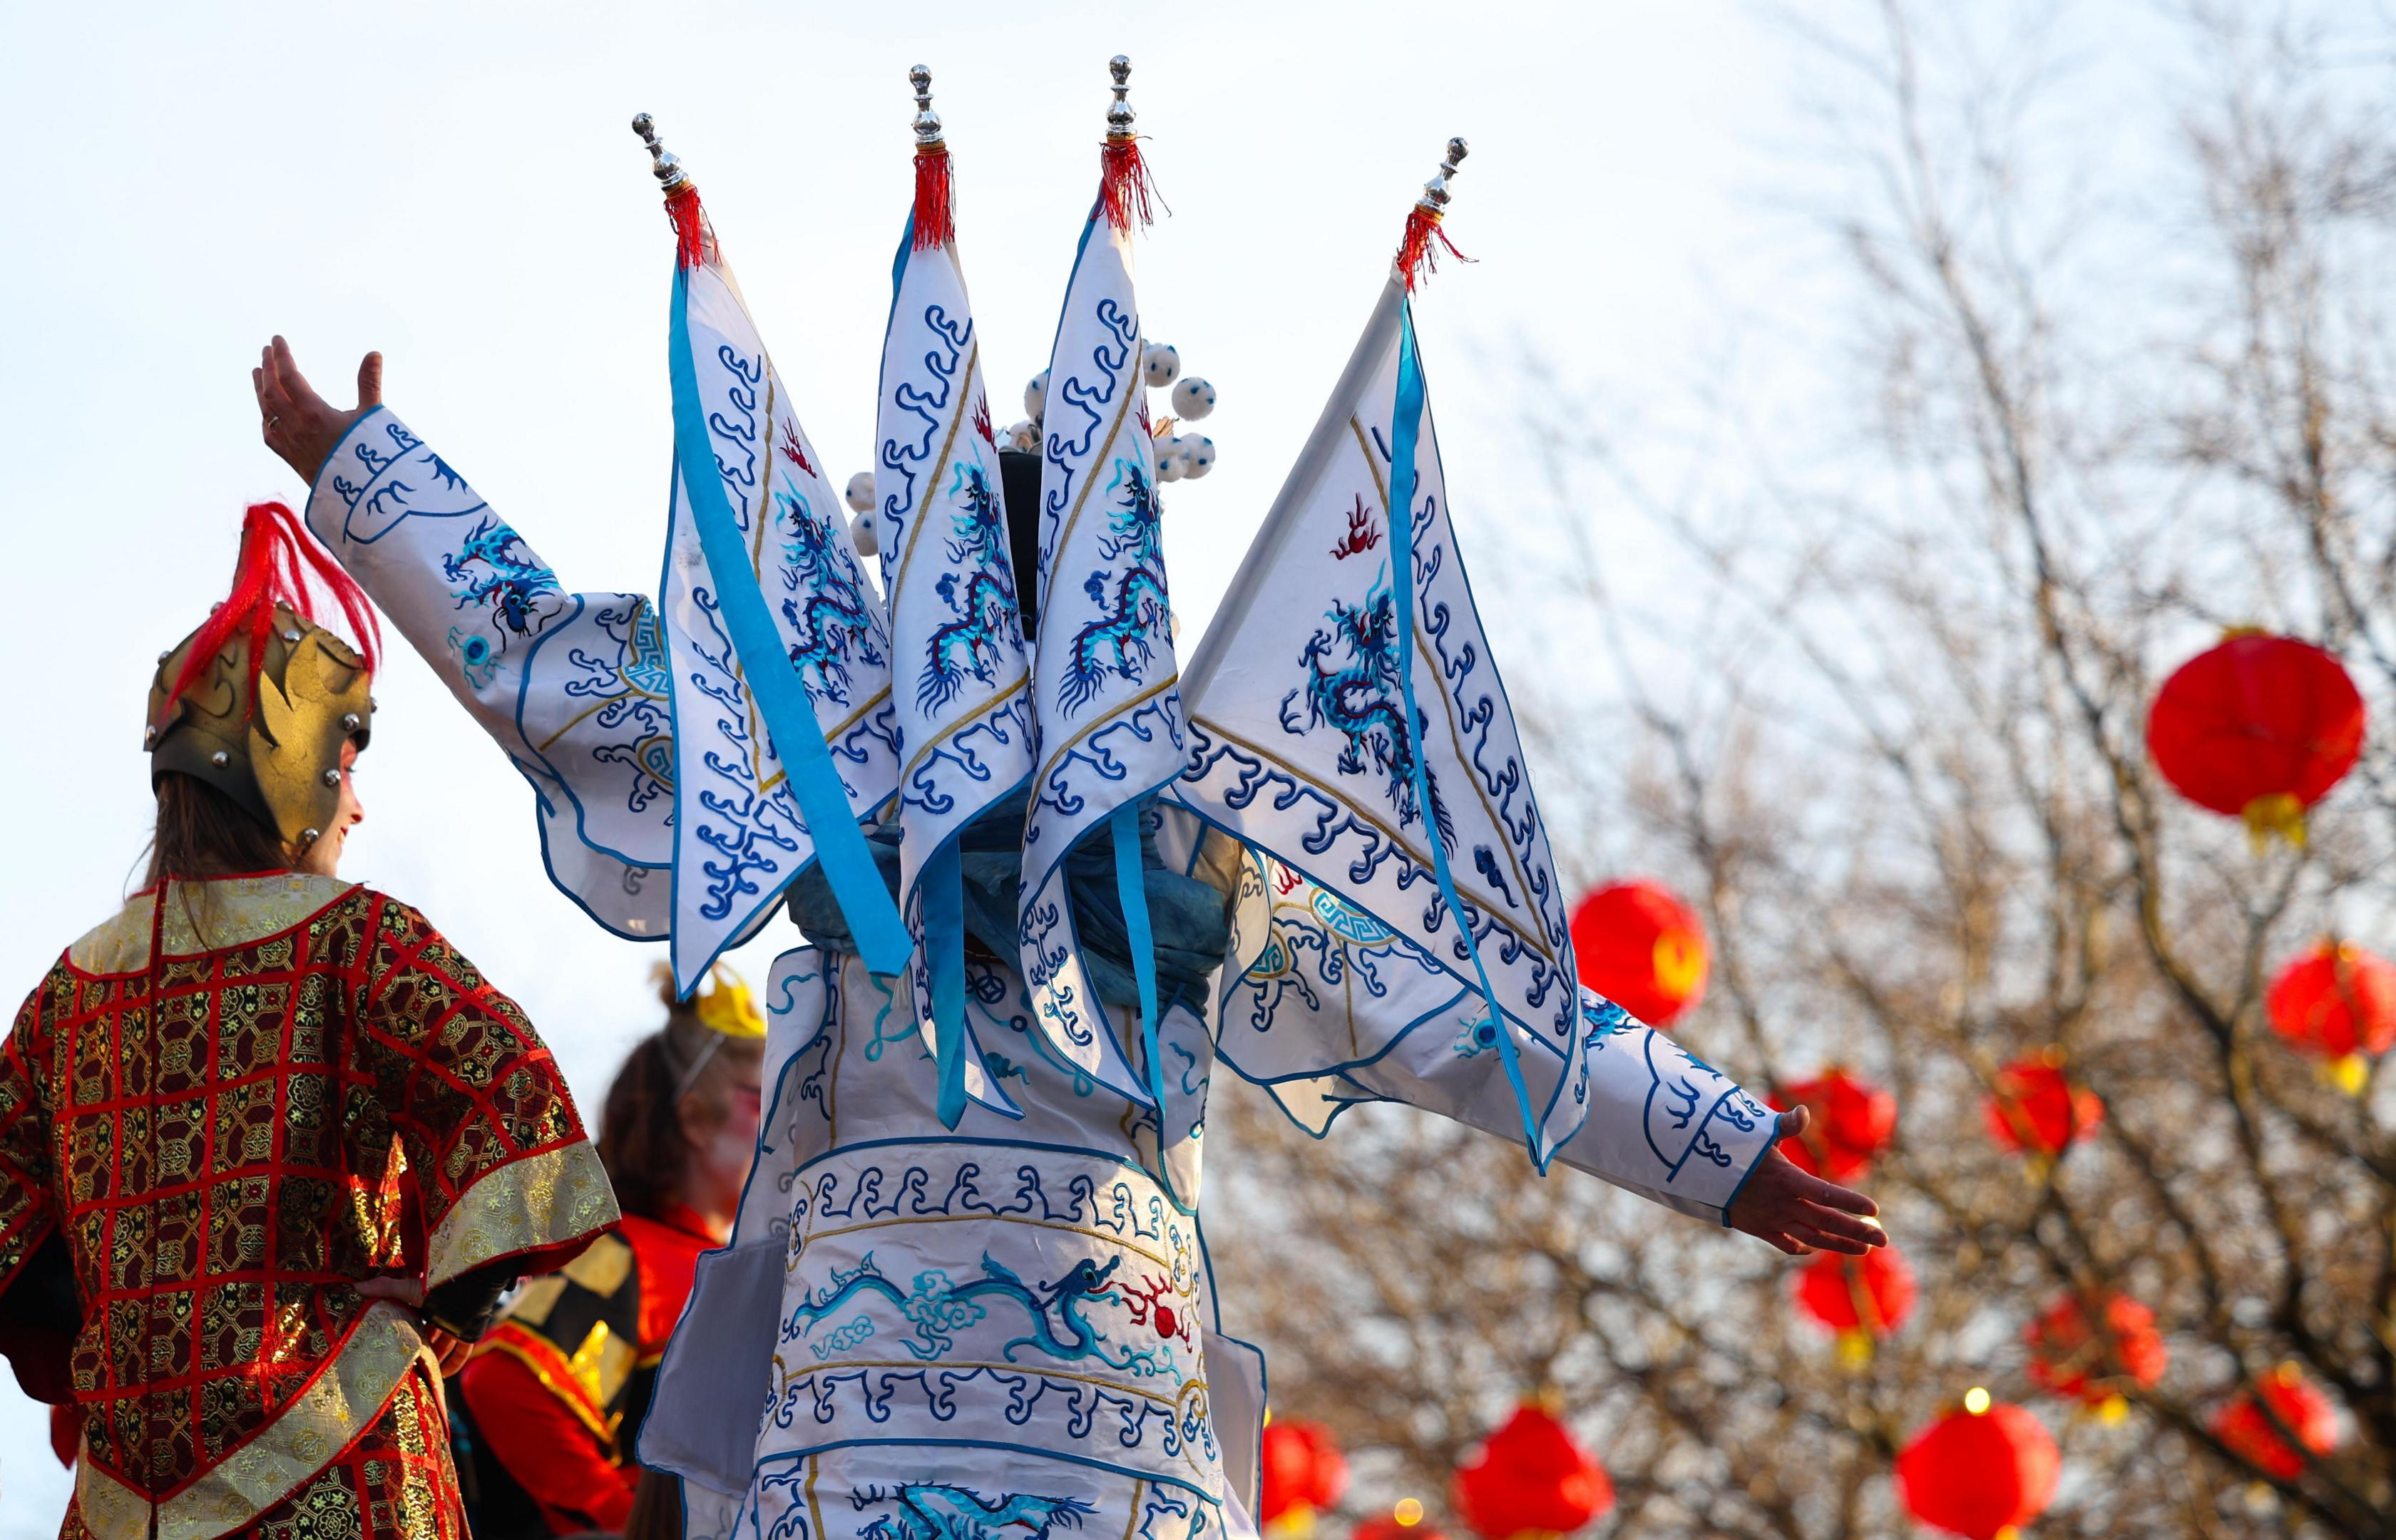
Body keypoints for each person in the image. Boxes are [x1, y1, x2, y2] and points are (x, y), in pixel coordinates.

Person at [245, 73, 1882, 1540]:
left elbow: (566, 678)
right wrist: (1711, 1143)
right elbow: (1460, 1003)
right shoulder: (1188, 829)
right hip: (1114, 1417)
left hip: (859, 1420)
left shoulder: (851, 760)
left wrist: (369, 472)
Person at [0, 503, 620, 1540]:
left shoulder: (75, 991)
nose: (357, 805)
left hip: (124, 1507)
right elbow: (512, 1093)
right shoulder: (362, 943)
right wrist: (448, 1302)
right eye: (349, 764)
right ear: (297, 767)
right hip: (347, 1475)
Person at [450, 967, 763, 1540]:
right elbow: (503, 1380)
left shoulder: (724, 1265)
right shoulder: (623, 1253)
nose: (785, 1126)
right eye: (764, 1100)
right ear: (694, 1118)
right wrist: (630, 1524)